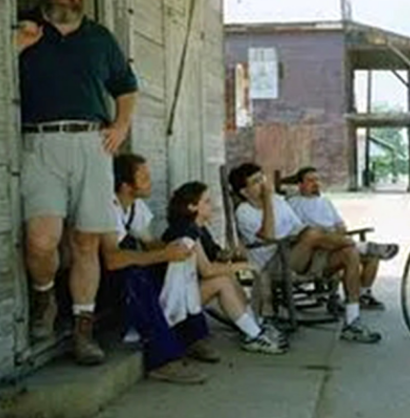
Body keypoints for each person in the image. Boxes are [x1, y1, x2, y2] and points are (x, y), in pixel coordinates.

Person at [16, 0, 138, 365]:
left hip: (92, 143)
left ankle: (83, 331)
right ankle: (45, 297)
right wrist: (16, 46)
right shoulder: (24, 29)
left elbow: (126, 87)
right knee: (41, 240)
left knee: (86, 241)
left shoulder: (99, 38)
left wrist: (120, 127)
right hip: (40, 143)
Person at [228, 163, 382, 344]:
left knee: (349, 253)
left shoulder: (278, 201)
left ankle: (352, 322)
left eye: (262, 178)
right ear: (244, 192)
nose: (263, 184)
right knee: (311, 234)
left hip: (299, 255)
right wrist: (268, 201)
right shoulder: (244, 211)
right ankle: (361, 246)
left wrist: (319, 239)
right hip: (274, 264)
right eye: (255, 182)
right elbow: (269, 236)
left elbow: (298, 227)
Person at [101, 154, 211, 384]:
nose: (150, 181)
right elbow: (112, 259)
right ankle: (162, 360)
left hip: (127, 272)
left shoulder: (136, 207)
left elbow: (150, 244)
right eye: (143, 177)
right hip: (105, 284)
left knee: (177, 262)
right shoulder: (107, 208)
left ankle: (190, 335)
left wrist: (177, 246)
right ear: (125, 186)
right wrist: (163, 254)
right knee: (135, 277)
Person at [162, 181, 287, 354]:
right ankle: (254, 335)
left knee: (228, 276)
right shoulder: (184, 231)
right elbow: (206, 270)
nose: (212, 205)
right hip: (171, 298)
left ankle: (253, 324)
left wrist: (228, 256)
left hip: (188, 290)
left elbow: (215, 255)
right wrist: (245, 265)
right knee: (222, 282)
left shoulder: (199, 228)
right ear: (192, 207)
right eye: (206, 201)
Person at [285, 167, 399, 310]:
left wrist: (338, 233)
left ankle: (363, 295)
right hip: (317, 252)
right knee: (349, 250)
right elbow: (297, 232)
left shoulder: (325, 201)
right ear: (300, 184)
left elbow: (340, 225)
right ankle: (361, 247)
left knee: (373, 256)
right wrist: (324, 234)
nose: (316, 183)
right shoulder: (293, 204)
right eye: (310, 180)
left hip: (337, 243)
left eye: (317, 180)